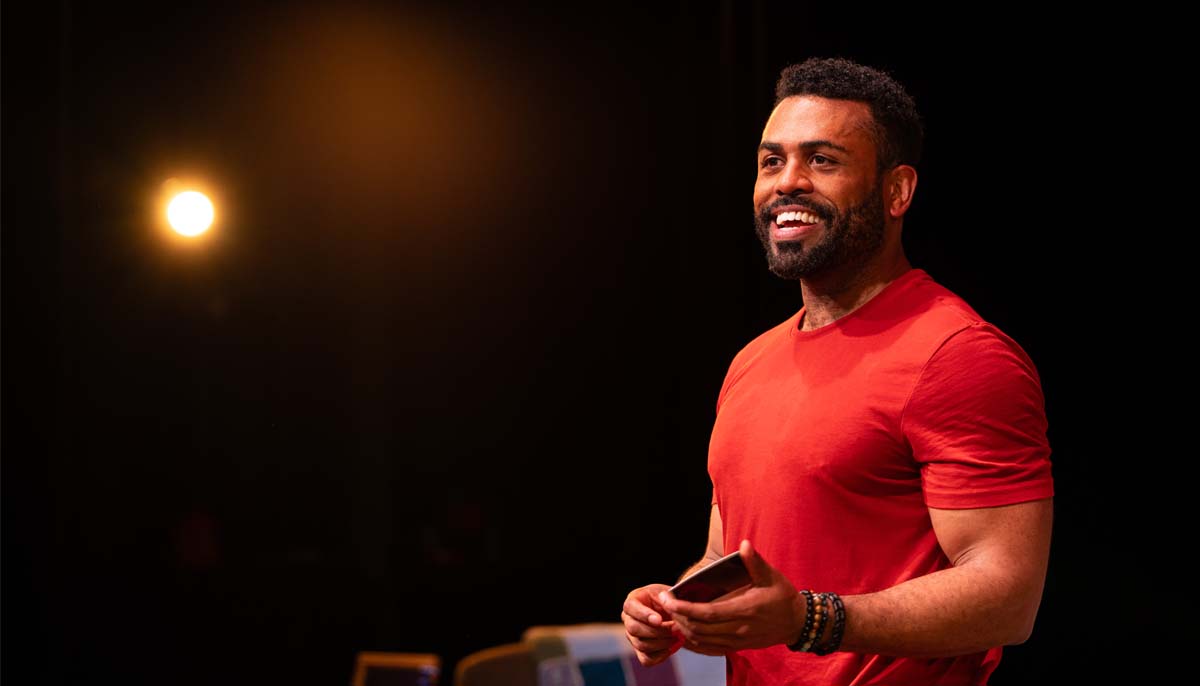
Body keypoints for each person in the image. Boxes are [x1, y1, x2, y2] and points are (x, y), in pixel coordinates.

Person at [621, 57, 1054, 685]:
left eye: (822, 160)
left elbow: (1008, 599)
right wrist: (677, 606)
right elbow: (726, 557)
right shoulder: (751, 362)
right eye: (772, 161)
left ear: (897, 191)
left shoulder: (959, 354)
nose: (787, 183)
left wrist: (809, 620)